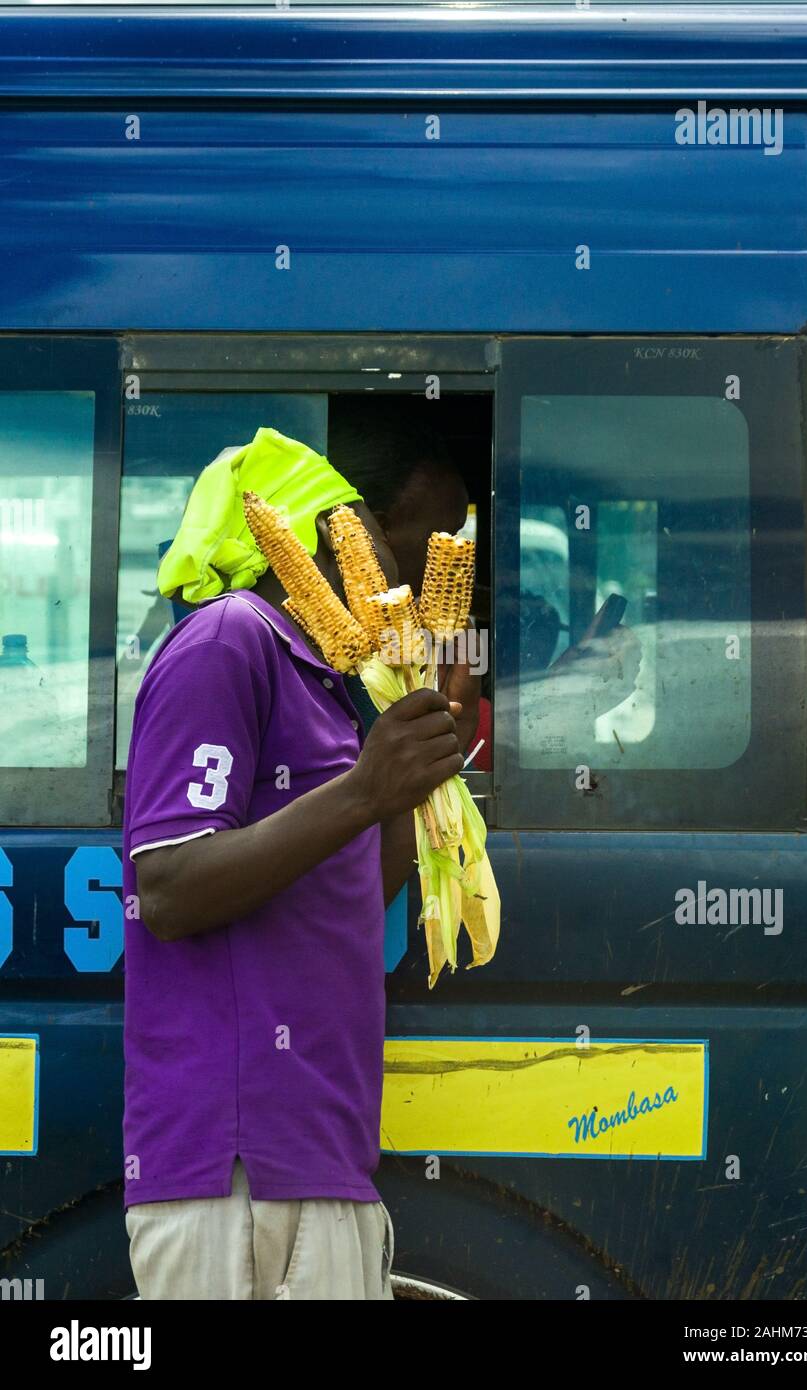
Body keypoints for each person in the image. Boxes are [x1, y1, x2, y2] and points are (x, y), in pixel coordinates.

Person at [122, 424, 475, 1301]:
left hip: (322, 1154)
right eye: (377, 544)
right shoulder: (226, 641)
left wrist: (422, 780)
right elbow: (166, 887)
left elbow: (344, 894)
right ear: (318, 541)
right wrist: (364, 790)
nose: (397, 583)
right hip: (238, 1173)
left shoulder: (326, 685)